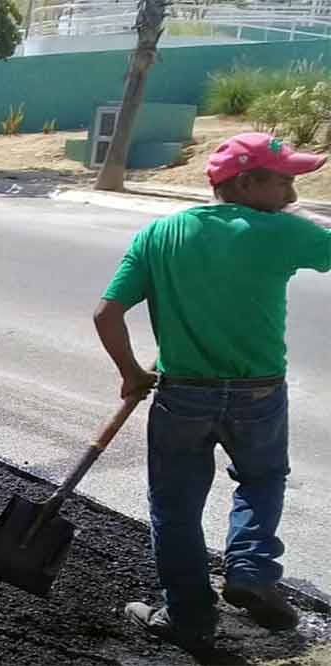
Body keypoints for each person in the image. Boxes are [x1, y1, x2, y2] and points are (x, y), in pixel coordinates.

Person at [94, 133, 328, 650]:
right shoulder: (280, 233)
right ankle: (250, 568)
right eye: (284, 181)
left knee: (174, 508)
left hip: (183, 395)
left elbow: (106, 314)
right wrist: (288, 230)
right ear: (246, 182)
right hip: (259, 394)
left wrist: (132, 373)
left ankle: (190, 618)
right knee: (262, 479)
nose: (291, 195)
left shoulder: (160, 234)